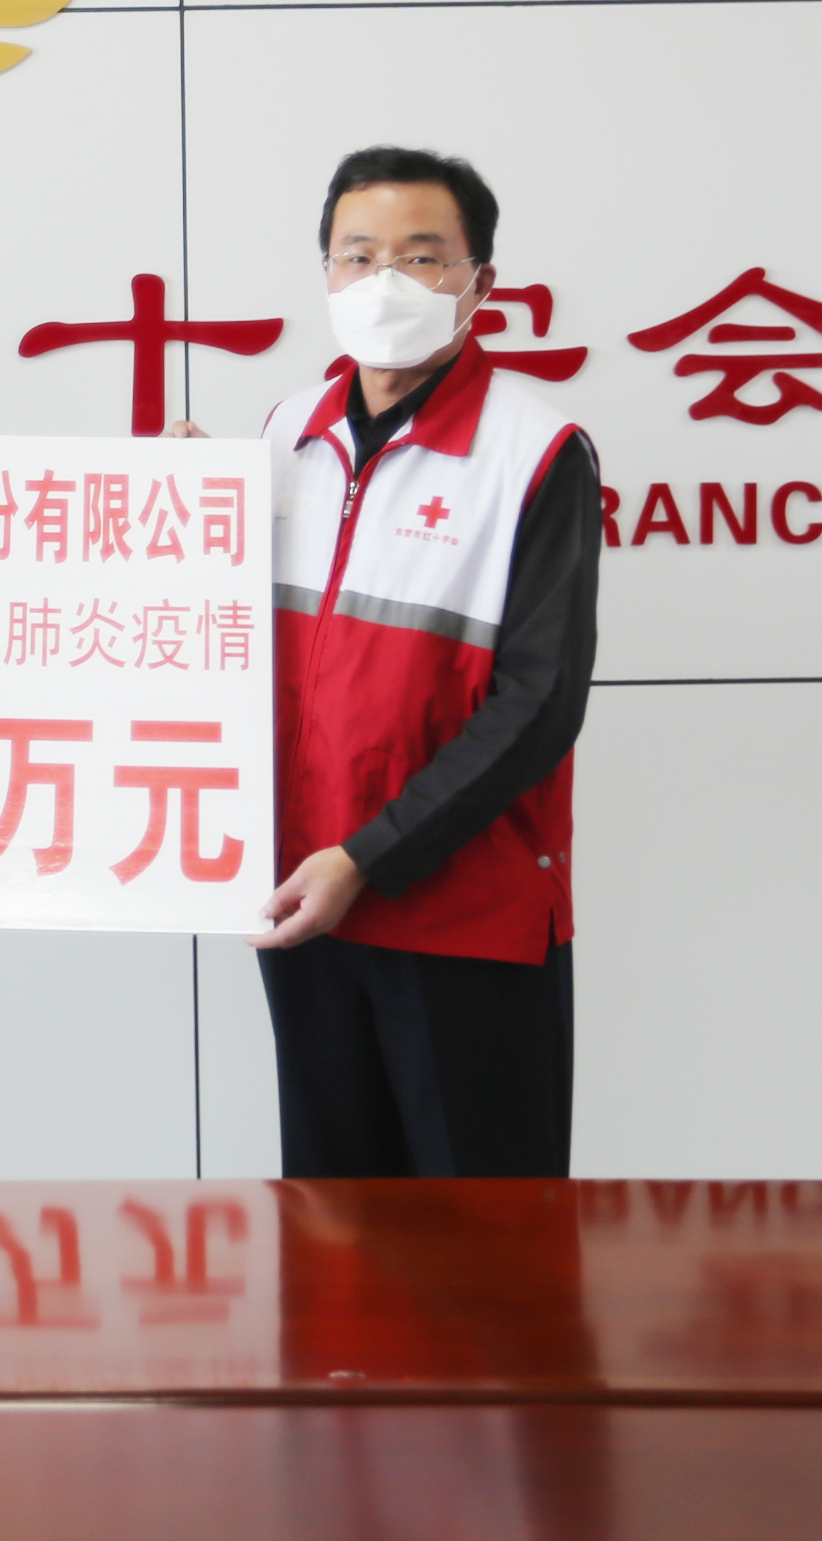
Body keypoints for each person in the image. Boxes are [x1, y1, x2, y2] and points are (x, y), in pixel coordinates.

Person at [186, 145, 600, 1178]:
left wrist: (367, 856)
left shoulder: (537, 451)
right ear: (325, 273)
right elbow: (246, 641)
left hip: (461, 916)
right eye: (357, 255)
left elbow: (540, 702)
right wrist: (185, 515)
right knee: (330, 1221)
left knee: (482, 1239)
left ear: (479, 280)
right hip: (303, 898)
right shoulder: (287, 432)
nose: (383, 281)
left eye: (420, 257)